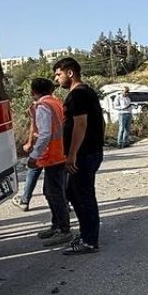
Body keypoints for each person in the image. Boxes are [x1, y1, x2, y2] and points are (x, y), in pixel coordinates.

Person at [52, 57, 104, 255]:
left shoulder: (78, 95)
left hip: (83, 155)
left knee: (83, 196)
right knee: (74, 193)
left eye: (59, 74)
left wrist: (72, 154)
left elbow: (80, 125)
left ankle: (89, 241)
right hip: (89, 152)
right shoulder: (87, 92)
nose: (57, 79)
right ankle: (85, 234)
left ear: (70, 73)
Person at [25, 78, 72, 246]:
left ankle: (64, 229)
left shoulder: (43, 106)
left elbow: (44, 134)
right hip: (60, 153)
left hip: (53, 156)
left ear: (33, 91)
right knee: (51, 192)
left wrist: (34, 155)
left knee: (55, 193)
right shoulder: (56, 102)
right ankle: (57, 225)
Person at [12, 100, 42, 211]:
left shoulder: (37, 105)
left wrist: (30, 143)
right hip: (57, 148)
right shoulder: (57, 103)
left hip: (42, 146)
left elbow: (34, 126)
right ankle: (64, 203)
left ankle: (25, 200)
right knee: (56, 176)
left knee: (33, 169)